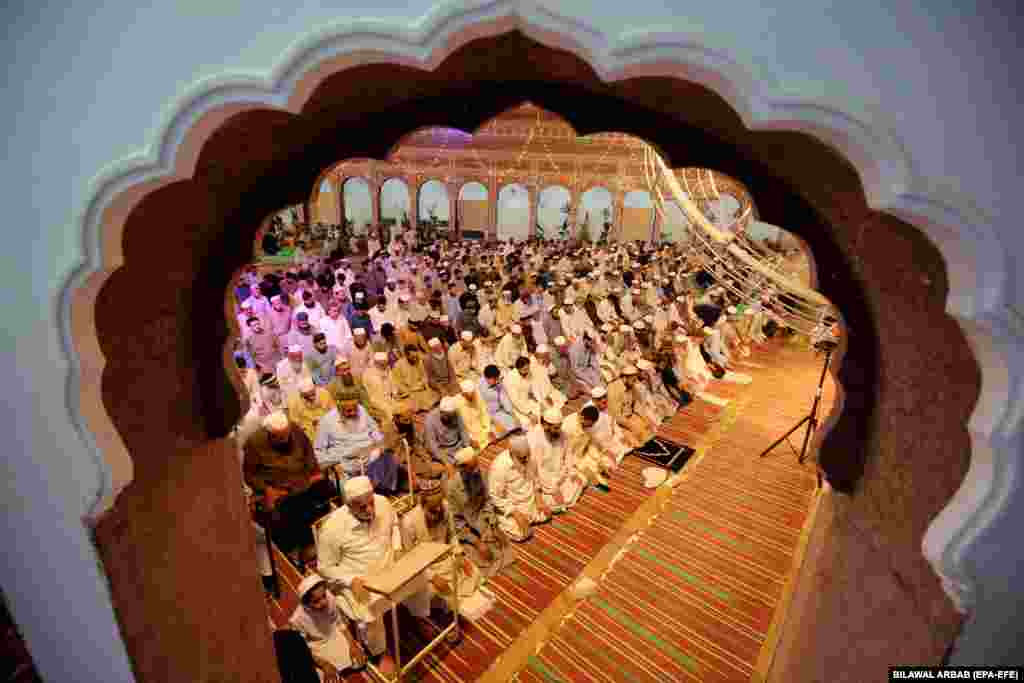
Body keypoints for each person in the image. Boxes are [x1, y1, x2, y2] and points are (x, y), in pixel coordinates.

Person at [316, 477, 433, 677]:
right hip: (361, 580)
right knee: (368, 612)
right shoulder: (333, 528)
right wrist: (350, 580)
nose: (370, 510)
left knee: (419, 578)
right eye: (362, 507)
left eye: (370, 503)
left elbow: (395, 525)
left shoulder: (383, 503)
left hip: (390, 564)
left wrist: (397, 549)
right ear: (348, 506)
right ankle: (381, 652)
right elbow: (325, 567)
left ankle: (419, 616)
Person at [243, 412, 333, 563]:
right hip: (279, 489)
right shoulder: (254, 442)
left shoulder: (295, 430)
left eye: (286, 435)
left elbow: (309, 455)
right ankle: (298, 550)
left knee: (327, 489)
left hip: (304, 481)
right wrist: (267, 490)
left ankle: (320, 541)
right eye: (280, 437)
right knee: (286, 509)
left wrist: (314, 472)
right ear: (269, 434)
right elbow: (250, 475)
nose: (285, 440)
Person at [400, 480, 488, 630]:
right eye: (433, 510)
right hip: (425, 568)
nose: (437, 512)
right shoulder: (409, 522)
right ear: (423, 504)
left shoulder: (445, 508)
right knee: (433, 594)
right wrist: (432, 577)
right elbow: (409, 558)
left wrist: (459, 555)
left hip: (446, 558)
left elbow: (452, 535)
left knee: (473, 572)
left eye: (439, 507)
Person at [446, 447, 513, 576]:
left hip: (482, 519)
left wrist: (493, 524)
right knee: (484, 559)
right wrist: (476, 542)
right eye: (473, 467)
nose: (477, 470)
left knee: (503, 546)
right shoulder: (451, 488)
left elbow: (486, 500)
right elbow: (455, 521)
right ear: (462, 468)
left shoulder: (480, 474)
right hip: (466, 529)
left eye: (477, 465)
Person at [289, 575, 367, 680]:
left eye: (323, 596)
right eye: (316, 601)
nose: (324, 602)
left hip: (333, 635)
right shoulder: (297, 619)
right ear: (305, 603)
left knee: (359, 661)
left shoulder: (329, 598)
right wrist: (324, 664)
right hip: (316, 646)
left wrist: (352, 645)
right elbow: (302, 648)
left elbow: (339, 623)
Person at [313, 398, 392, 489]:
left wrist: (380, 444)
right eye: (349, 411)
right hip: (347, 466)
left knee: (391, 460)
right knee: (353, 491)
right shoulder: (326, 421)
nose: (353, 413)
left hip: (370, 457)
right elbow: (319, 452)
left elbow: (374, 429)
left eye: (355, 409)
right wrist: (333, 464)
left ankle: (383, 491)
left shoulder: (361, 410)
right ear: (339, 407)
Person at [487, 436, 551, 542]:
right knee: (522, 535)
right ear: (512, 453)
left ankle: (530, 518)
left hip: (530, 500)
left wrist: (539, 500)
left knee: (550, 509)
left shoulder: (529, 456)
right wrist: (516, 515)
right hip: (513, 506)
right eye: (522, 458)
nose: (526, 460)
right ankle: (514, 522)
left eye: (527, 456)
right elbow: (496, 496)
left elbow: (534, 479)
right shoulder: (499, 467)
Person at [527, 407, 586, 513]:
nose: (559, 431)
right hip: (543, 479)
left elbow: (568, 454)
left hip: (560, 474)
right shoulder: (534, 439)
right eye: (556, 428)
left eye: (559, 427)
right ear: (545, 425)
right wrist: (552, 487)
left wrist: (572, 472)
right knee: (550, 501)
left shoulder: (561, 433)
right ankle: (558, 501)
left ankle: (562, 500)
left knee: (581, 479)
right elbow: (535, 469)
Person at [561, 404, 613, 489]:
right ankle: (596, 482)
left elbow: (590, 440)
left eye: (592, 424)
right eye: (589, 424)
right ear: (582, 418)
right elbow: (566, 451)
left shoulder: (588, 424)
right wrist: (576, 464)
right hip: (568, 457)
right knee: (584, 477)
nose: (591, 426)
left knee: (602, 461)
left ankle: (596, 474)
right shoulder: (569, 426)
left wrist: (599, 460)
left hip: (580, 452)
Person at [607, 366, 656, 447]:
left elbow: (637, 405)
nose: (635, 381)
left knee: (650, 431)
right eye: (633, 379)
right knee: (637, 443)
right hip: (620, 423)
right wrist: (631, 426)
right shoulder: (613, 389)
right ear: (625, 377)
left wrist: (645, 418)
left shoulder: (631, 385)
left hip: (631, 417)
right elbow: (616, 416)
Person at [423, 396, 476, 471]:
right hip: (444, 451)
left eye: (452, 415)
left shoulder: (455, 413)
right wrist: (445, 462)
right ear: (441, 412)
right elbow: (433, 446)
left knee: (473, 461)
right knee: (457, 470)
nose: (450, 418)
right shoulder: (430, 420)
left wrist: (467, 445)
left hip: (458, 446)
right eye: (447, 416)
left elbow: (463, 430)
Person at [392, 344, 440, 413]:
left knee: (436, 394)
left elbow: (424, 375)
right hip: (409, 392)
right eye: (412, 357)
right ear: (406, 355)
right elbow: (397, 383)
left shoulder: (419, 361)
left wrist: (423, 383)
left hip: (421, 388)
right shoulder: (398, 365)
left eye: (416, 356)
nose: (415, 359)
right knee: (412, 404)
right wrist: (409, 391)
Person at [286, 378, 336, 444]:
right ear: (301, 394)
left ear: (315, 389)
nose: (311, 398)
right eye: (307, 396)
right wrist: (309, 425)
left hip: (328, 424)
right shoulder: (293, 402)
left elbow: (334, 411)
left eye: (313, 394)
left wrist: (324, 420)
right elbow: (295, 422)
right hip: (309, 431)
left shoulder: (324, 393)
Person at [478, 365, 521, 434]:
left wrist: (513, 415)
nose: (496, 381)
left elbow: (505, 399)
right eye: (494, 379)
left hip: (498, 412)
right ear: (486, 378)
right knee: (495, 431)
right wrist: (492, 420)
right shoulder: (479, 385)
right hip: (485, 414)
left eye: (497, 378)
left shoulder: (498, 383)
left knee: (514, 423)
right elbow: (480, 406)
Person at [504, 356, 542, 427]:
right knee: (527, 422)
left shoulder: (527, 372)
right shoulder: (510, 378)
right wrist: (529, 413)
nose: (527, 371)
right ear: (518, 368)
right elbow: (515, 400)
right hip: (515, 406)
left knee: (541, 410)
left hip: (526, 401)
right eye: (525, 369)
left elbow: (533, 387)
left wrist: (537, 398)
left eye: (528, 368)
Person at [529, 345, 567, 412]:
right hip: (537, 389)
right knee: (547, 406)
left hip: (548, 386)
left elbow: (553, 373)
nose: (544, 357)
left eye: (546, 355)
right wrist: (544, 396)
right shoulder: (531, 362)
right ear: (537, 354)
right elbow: (533, 382)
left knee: (563, 399)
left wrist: (548, 363)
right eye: (543, 355)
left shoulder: (545, 360)